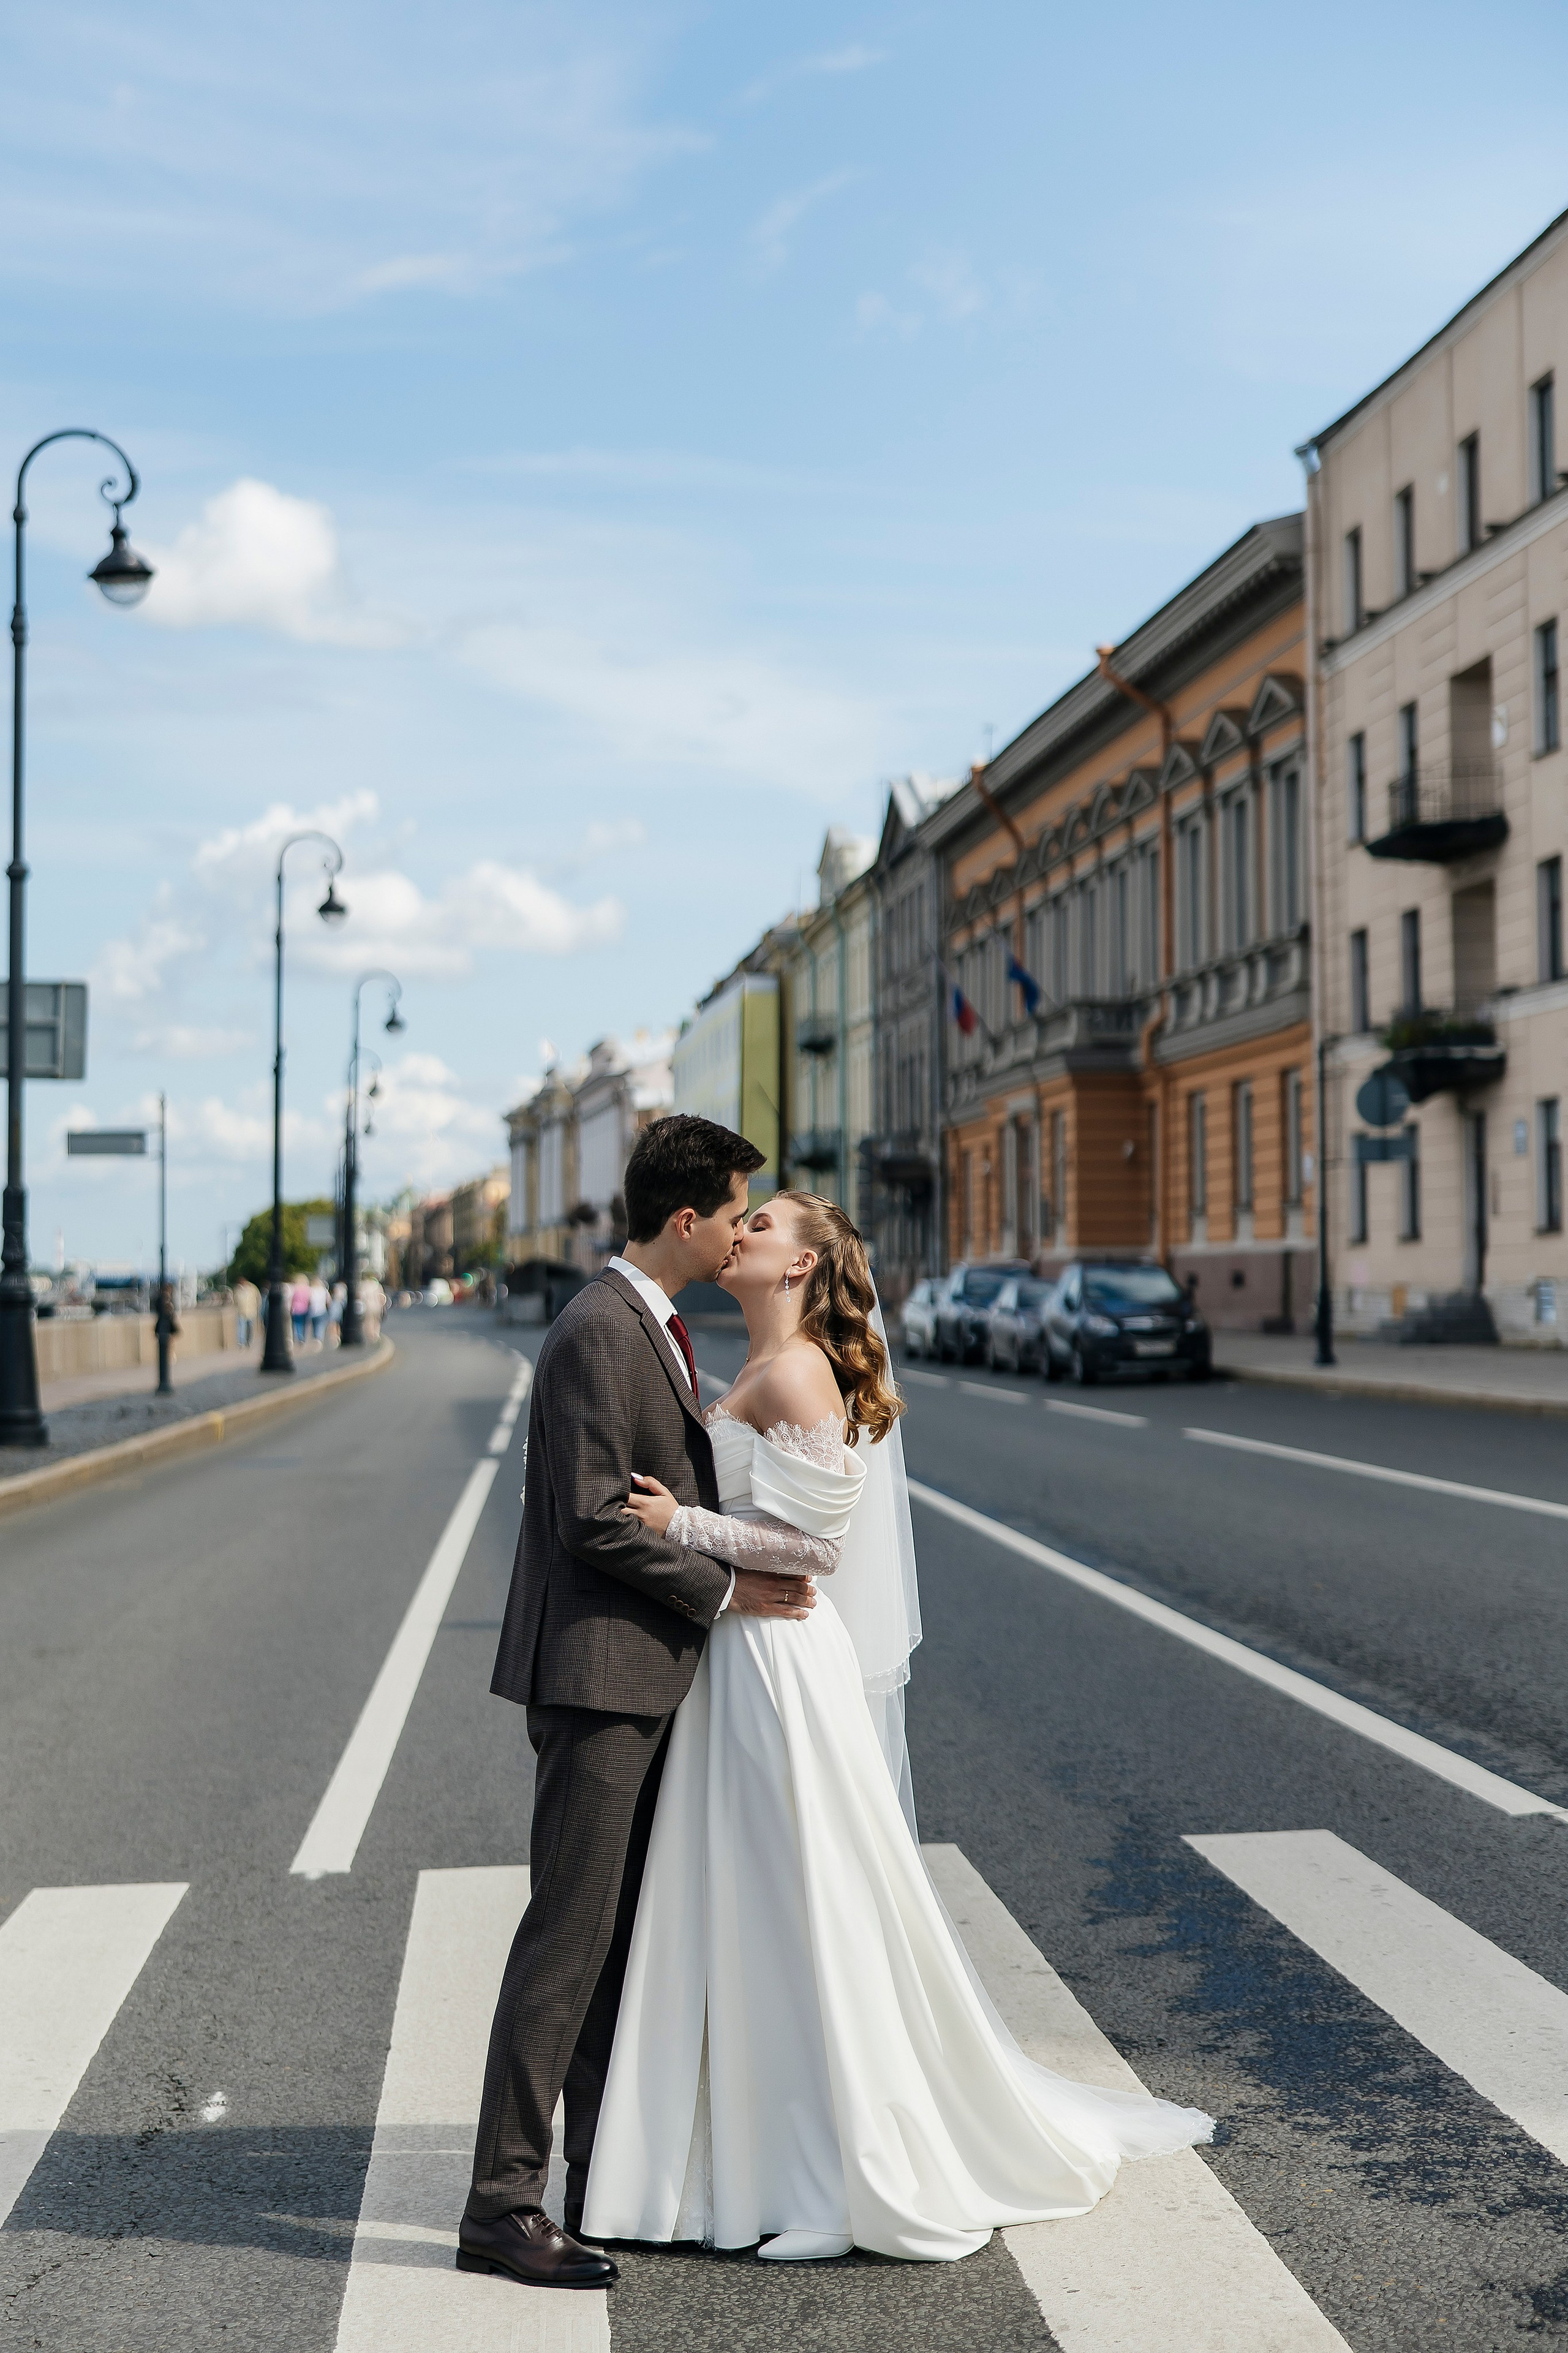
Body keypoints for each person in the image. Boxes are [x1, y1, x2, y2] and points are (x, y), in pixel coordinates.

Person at [579, 1192, 1213, 2264]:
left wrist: (671, 1522)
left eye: (766, 1224)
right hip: (743, 1667)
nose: (743, 1231)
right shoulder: (755, 1369)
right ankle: (770, 2156)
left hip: (777, 1669)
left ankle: (833, 2175)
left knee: (798, 1912)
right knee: (760, 1915)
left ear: (798, 1270)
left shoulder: (793, 1374)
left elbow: (812, 1551)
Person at [459, 1115, 812, 2293]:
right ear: (683, 1219)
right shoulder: (605, 1330)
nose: (736, 1234)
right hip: (599, 1678)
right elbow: (595, 1516)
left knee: (607, 1944)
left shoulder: (642, 1323)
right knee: (565, 1937)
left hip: (636, 1672)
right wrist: (726, 1588)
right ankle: (501, 2205)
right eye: (731, 1213)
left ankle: (598, 2178)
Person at [232, 1275, 259, 1350]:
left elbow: (258, 1298)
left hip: (251, 1311)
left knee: (250, 1328)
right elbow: (235, 1300)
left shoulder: (253, 1288)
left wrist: (257, 1308)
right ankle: (241, 1343)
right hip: (241, 1312)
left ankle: (249, 1341)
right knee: (241, 1327)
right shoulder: (237, 1290)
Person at [308, 1274, 330, 1344]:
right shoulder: (324, 1290)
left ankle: (315, 1337)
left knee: (314, 1325)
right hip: (322, 1310)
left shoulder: (311, 1290)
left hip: (313, 1310)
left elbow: (309, 1301)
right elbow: (329, 1300)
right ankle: (319, 1338)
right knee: (320, 1325)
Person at [289, 1276, 310, 1346]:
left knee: (297, 1324)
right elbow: (309, 1299)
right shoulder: (307, 1289)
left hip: (296, 1309)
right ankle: (302, 1338)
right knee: (304, 1324)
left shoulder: (296, 1288)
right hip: (305, 1309)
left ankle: (299, 1337)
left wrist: (291, 1307)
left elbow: (293, 1299)